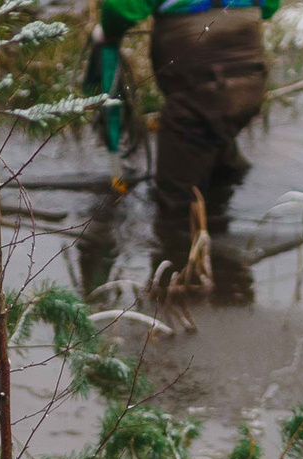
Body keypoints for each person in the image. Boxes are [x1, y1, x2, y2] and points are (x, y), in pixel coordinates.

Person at [88, 0, 278, 273]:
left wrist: (107, 31)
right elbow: (270, 7)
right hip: (249, 86)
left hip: (198, 96)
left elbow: (122, 8)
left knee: (174, 202)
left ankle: (179, 276)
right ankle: (226, 265)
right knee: (217, 152)